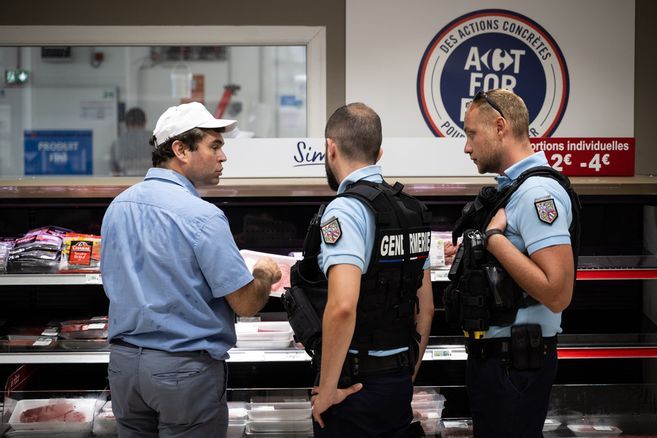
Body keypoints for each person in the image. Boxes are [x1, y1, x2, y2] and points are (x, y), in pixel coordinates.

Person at [100, 101, 281, 438]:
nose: (223, 157)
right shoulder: (203, 216)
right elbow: (245, 303)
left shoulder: (118, 206)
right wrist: (264, 274)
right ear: (180, 149)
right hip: (183, 372)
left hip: (124, 368)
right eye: (215, 146)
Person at [290, 102, 435, 437]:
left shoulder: (346, 210)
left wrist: (327, 389)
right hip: (397, 380)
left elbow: (342, 306)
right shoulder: (412, 210)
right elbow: (426, 308)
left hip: (353, 385)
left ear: (330, 147)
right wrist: (406, 373)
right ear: (379, 152)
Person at [453, 88, 579, 437]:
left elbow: (557, 292)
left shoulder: (537, 193)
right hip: (501, 362)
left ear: (500, 126)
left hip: (514, 365)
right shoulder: (514, 189)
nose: (467, 146)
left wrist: (493, 242)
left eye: (471, 134)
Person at [109, 107, 153, 176]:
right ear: (145, 122)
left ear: (126, 124)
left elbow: (114, 173)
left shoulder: (117, 143)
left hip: (126, 184)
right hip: (151, 182)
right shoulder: (154, 139)